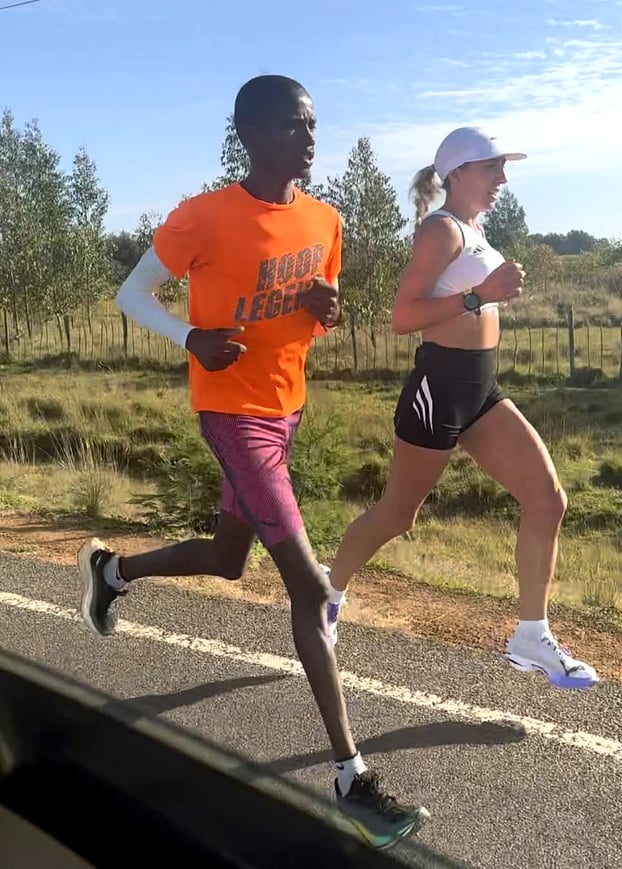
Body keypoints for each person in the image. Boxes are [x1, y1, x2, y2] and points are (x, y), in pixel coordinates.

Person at [76, 74, 429, 849]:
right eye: (294, 125)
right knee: (311, 586)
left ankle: (111, 572)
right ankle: (350, 779)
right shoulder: (203, 216)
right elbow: (131, 295)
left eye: (313, 124)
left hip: (286, 408)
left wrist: (323, 310)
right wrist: (190, 338)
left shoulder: (325, 218)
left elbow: (313, 314)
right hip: (231, 416)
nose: (310, 137)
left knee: (230, 558)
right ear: (251, 134)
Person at [324, 126, 599, 690]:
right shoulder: (440, 230)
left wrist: (487, 293)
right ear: (458, 173)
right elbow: (403, 317)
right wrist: (481, 294)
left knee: (548, 499)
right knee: (398, 516)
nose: (503, 179)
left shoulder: (475, 230)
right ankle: (327, 592)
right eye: (492, 168)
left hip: (481, 388)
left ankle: (530, 635)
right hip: (439, 386)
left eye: (502, 168)